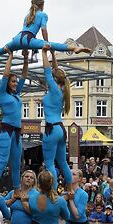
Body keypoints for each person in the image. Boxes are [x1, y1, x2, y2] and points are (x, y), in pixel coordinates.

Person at [0, 0, 91, 60]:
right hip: (29, 39)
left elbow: (24, 33)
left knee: (4, 49)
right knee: (53, 45)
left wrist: (24, 49)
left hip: (17, 38)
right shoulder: (43, 15)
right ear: (42, 5)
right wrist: (47, 44)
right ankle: (74, 48)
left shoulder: (27, 16)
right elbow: (44, 30)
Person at [40, 44, 74, 192]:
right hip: (60, 129)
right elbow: (54, 71)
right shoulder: (61, 89)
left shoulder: (54, 89)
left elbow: (48, 72)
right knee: (63, 162)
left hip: (51, 129)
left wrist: (43, 53)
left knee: (49, 164)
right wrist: (53, 55)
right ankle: (71, 189)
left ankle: (53, 192)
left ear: (55, 79)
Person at [0, 51, 29, 190]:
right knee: (3, 161)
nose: (16, 84)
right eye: (13, 81)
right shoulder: (2, 93)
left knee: (16, 164)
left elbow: (24, 76)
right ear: (7, 83)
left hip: (16, 131)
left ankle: (16, 190)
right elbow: (4, 75)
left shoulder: (17, 94)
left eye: (16, 82)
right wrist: (10, 56)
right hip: (6, 130)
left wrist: (26, 59)